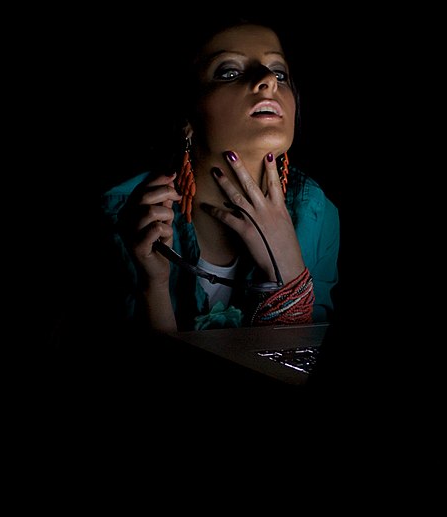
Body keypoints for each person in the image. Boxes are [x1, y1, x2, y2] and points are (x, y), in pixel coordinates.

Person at [99, 18, 340, 335]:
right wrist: (153, 286)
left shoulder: (318, 215)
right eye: (229, 72)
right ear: (187, 116)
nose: (268, 80)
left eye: (279, 73)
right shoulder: (120, 214)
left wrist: (290, 273)